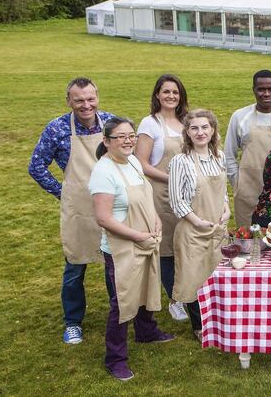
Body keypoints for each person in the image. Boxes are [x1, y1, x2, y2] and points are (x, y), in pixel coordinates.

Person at [28, 77, 115, 345]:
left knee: (114, 264)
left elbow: (128, 159)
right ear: (69, 101)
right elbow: (37, 166)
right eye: (79, 100)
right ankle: (73, 322)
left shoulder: (111, 124)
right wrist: (60, 191)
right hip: (78, 208)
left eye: (90, 99)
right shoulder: (56, 129)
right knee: (75, 265)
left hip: (112, 205)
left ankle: (120, 313)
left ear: (97, 97)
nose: (86, 105)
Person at [89, 116, 174, 381]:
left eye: (131, 135)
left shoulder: (134, 161)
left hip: (146, 239)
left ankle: (146, 332)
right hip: (121, 248)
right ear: (106, 141)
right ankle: (115, 359)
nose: (128, 141)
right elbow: (104, 218)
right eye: (120, 137)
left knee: (147, 286)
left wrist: (157, 220)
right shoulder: (103, 172)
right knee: (122, 302)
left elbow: (145, 198)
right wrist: (138, 235)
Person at [169, 109, 231, 341]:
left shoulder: (219, 156)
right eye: (194, 128)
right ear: (187, 132)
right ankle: (199, 325)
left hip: (217, 229)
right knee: (194, 278)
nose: (200, 132)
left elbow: (222, 191)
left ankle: (219, 320)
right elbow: (176, 201)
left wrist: (226, 209)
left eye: (205, 127)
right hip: (193, 230)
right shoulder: (180, 161)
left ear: (213, 130)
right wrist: (198, 221)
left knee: (216, 277)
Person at [134, 74, 189, 322]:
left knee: (187, 243)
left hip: (188, 193)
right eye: (166, 91)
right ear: (157, 94)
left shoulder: (186, 122)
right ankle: (174, 299)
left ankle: (189, 291)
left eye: (175, 92)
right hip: (161, 193)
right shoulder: (150, 124)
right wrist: (173, 179)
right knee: (167, 247)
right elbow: (141, 163)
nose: (171, 96)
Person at [225, 70, 271, 227]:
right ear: (254, 90)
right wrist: (237, 183)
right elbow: (229, 155)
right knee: (249, 242)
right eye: (261, 89)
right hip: (249, 191)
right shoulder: (240, 117)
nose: (266, 93)